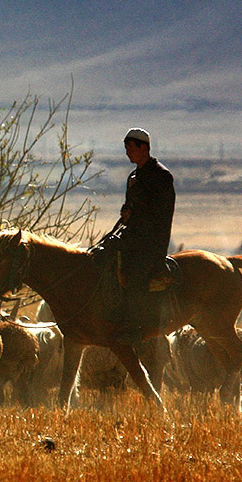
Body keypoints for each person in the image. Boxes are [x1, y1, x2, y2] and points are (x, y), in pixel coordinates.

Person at [107, 127, 176, 344]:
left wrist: (134, 215)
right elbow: (131, 207)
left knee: (135, 273)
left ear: (143, 148)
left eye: (130, 148)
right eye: (126, 148)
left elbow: (161, 214)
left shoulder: (162, 176)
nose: (127, 152)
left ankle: (137, 327)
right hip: (133, 236)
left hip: (151, 242)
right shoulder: (134, 176)